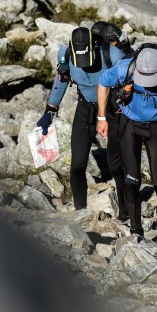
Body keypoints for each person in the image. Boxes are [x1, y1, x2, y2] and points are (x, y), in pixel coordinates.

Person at [96, 44, 157, 236]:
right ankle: (136, 230)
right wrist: (101, 117)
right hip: (129, 126)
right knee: (131, 179)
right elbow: (103, 82)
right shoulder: (126, 68)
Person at [37, 22, 132, 214]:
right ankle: (81, 211)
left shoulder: (112, 55)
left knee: (116, 164)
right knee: (77, 164)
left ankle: (125, 211)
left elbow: (132, 81)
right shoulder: (65, 55)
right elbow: (61, 79)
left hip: (113, 110)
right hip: (85, 109)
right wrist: (50, 110)